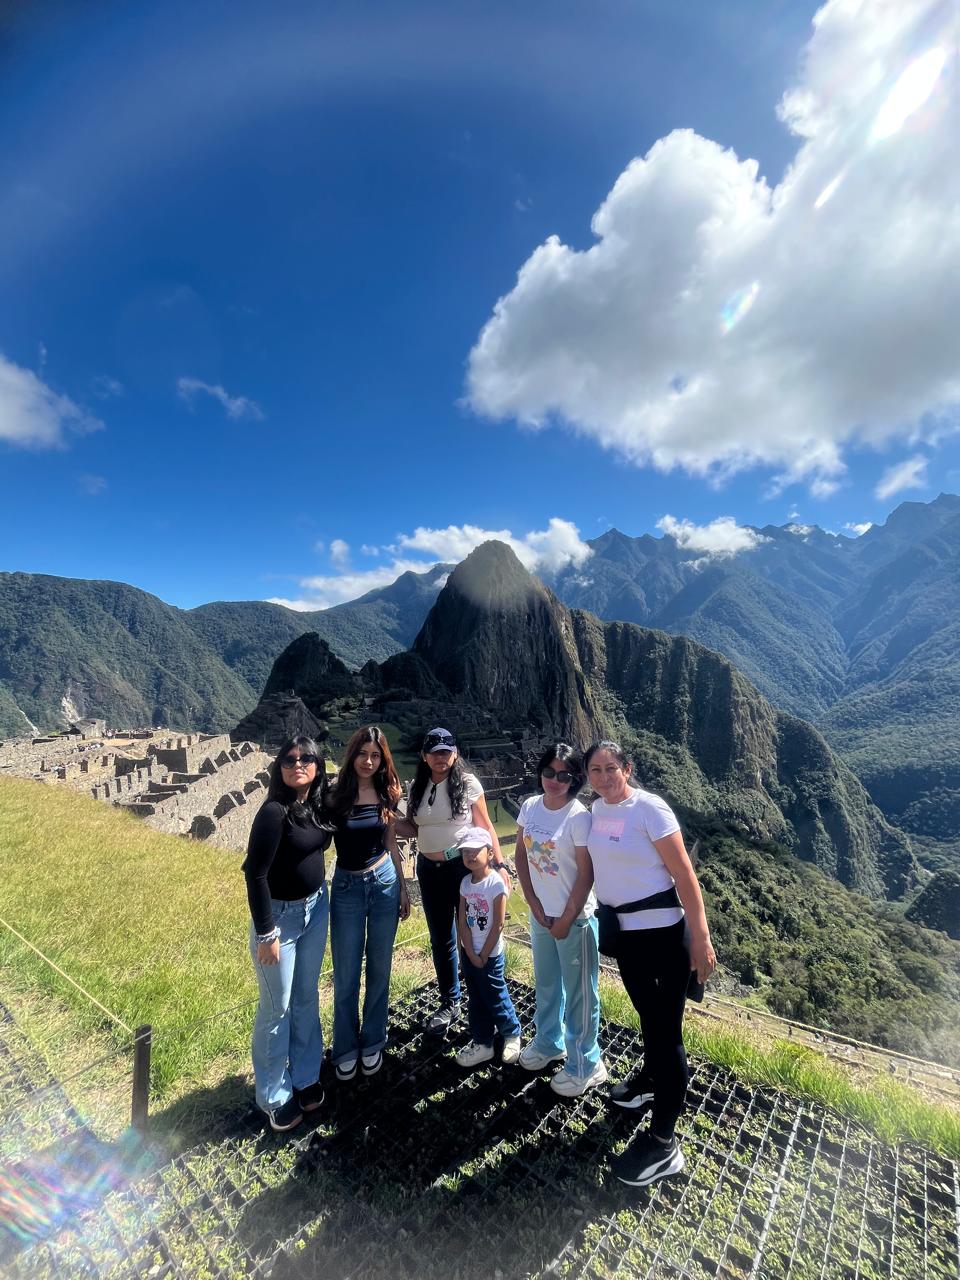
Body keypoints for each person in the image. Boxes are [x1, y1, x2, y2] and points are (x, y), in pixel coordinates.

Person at [584, 739, 716, 1188]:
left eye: (610, 768)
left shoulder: (650, 809)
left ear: (627, 768)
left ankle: (663, 1145)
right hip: (628, 941)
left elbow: (684, 875)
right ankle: (647, 1082)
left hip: (663, 939)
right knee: (649, 1020)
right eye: (595, 769)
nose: (603, 776)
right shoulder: (597, 812)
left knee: (666, 1035)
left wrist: (700, 938)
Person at [395, 727, 510, 1035]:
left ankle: (483, 1001)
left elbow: (485, 826)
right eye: (435, 751)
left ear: (455, 754)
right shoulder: (416, 786)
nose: (440, 757)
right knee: (441, 939)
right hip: (428, 869)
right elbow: (414, 827)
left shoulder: (467, 783)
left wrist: (499, 865)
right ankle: (450, 1001)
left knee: (472, 935)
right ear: (425, 755)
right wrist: (385, 819)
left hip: (461, 867)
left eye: (446, 751)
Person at [242, 736, 331, 1132]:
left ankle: (306, 1075)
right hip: (280, 920)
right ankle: (273, 1093)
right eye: (290, 759)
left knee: (306, 997)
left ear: (318, 765)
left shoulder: (315, 805)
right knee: (276, 1007)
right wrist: (266, 933)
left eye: (306, 758)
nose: (298, 764)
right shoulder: (273, 812)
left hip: (317, 908)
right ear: (280, 768)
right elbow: (255, 873)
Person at [515, 743, 603, 1096]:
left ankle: (586, 1064)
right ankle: (549, 1042)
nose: (554, 780)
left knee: (582, 994)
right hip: (541, 914)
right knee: (548, 984)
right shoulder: (530, 807)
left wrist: (567, 918)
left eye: (563, 775)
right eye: (548, 772)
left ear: (574, 779)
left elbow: (586, 874)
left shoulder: (579, 816)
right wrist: (533, 903)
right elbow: (521, 856)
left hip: (576, 920)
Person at [325, 726, 410, 1081]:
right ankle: (345, 1044)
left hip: (384, 882)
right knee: (345, 973)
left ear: (382, 759)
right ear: (353, 754)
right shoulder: (333, 796)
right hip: (346, 886)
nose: (369, 761)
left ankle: (373, 1039)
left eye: (376, 756)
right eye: (363, 754)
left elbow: (392, 842)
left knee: (380, 969)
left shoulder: (387, 793)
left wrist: (403, 888)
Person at [455, 826, 521, 1067]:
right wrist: (470, 951)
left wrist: (483, 954)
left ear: (490, 853)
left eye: (476, 851)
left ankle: (512, 1032)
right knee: (475, 998)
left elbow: (499, 924)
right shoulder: (465, 883)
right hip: (471, 951)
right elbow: (462, 919)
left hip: (490, 954)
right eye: (465, 852)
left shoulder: (495, 884)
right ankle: (483, 1042)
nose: (470, 856)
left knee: (495, 993)